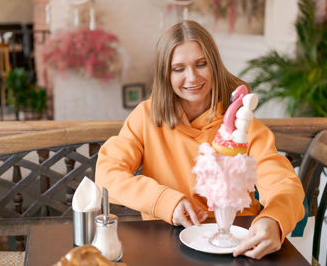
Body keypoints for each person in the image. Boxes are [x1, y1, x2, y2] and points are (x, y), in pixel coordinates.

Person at [95, 20, 304, 260]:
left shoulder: (242, 124)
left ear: (214, 65)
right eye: (179, 69)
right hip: (166, 243)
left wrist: (273, 220)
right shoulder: (146, 117)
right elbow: (107, 174)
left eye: (201, 64)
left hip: (238, 246)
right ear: (166, 74)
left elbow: (282, 182)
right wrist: (166, 202)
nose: (192, 77)